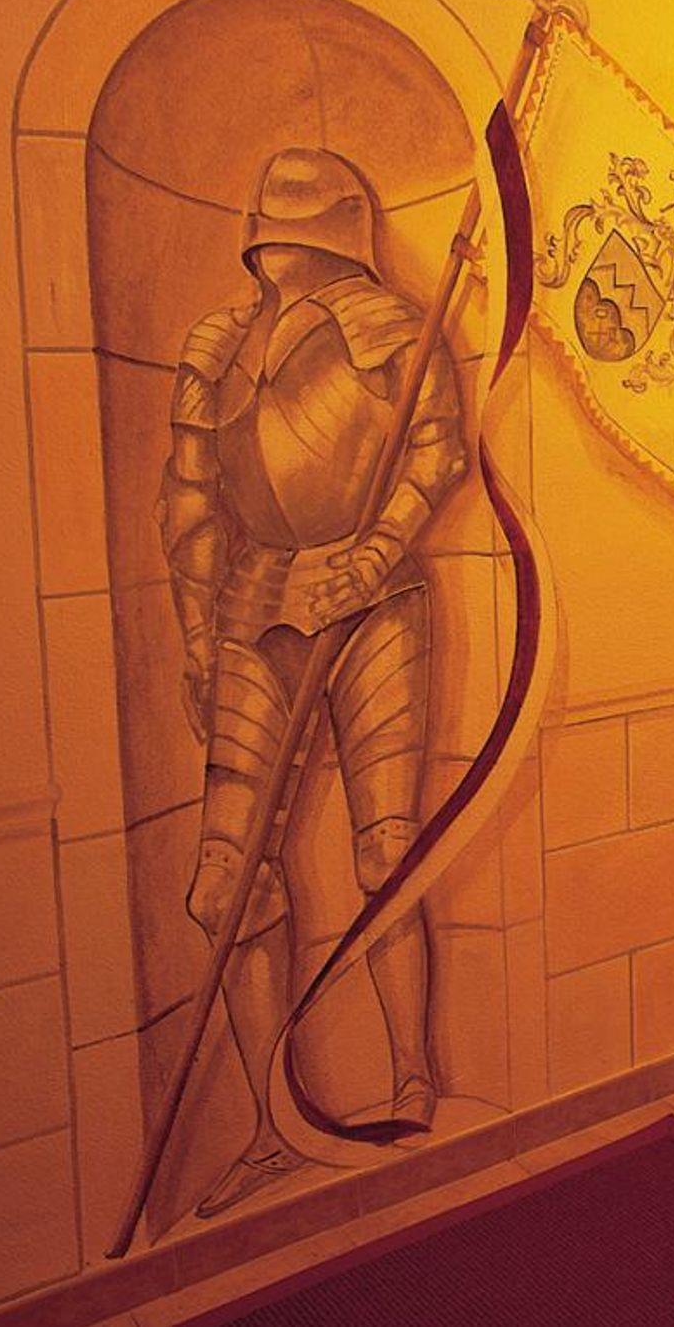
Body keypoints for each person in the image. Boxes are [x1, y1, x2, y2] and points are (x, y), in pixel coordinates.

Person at [156, 146, 466, 1218]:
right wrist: (199, 631)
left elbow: (435, 451)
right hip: (252, 605)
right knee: (224, 882)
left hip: (371, 598)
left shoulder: (396, 329)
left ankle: (411, 1083)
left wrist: (375, 552)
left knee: (385, 849)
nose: (283, 244)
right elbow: (191, 499)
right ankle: (270, 1126)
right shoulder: (215, 346)